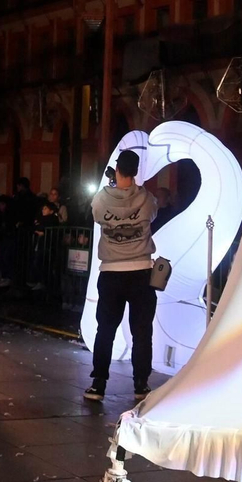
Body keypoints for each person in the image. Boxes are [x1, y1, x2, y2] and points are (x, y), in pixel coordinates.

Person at [86, 148, 160, 402]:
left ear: (117, 170)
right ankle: (141, 384)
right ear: (136, 171)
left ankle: (98, 384)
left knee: (105, 329)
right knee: (141, 331)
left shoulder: (101, 199)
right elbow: (153, 214)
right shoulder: (147, 199)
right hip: (141, 271)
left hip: (111, 272)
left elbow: (96, 216)